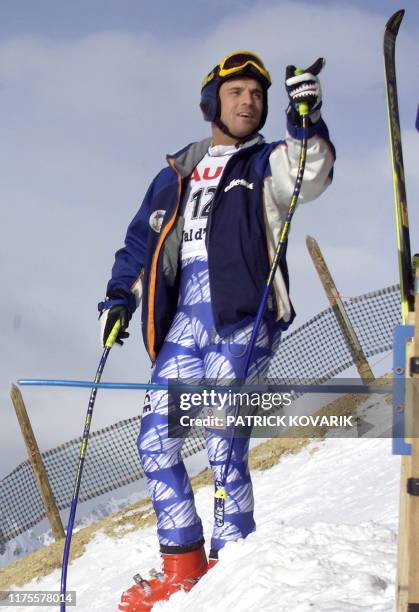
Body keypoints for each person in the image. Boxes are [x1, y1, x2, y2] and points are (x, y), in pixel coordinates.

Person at [99, 51, 335, 611]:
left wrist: (305, 116)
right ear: (213, 102)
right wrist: (119, 299)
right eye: (237, 93)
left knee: (224, 438)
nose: (249, 101)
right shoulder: (176, 171)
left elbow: (309, 172)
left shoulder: (267, 164)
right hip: (185, 320)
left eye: (258, 94)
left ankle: (236, 571)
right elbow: (142, 243)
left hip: (241, 316)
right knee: (156, 441)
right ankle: (182, 566)